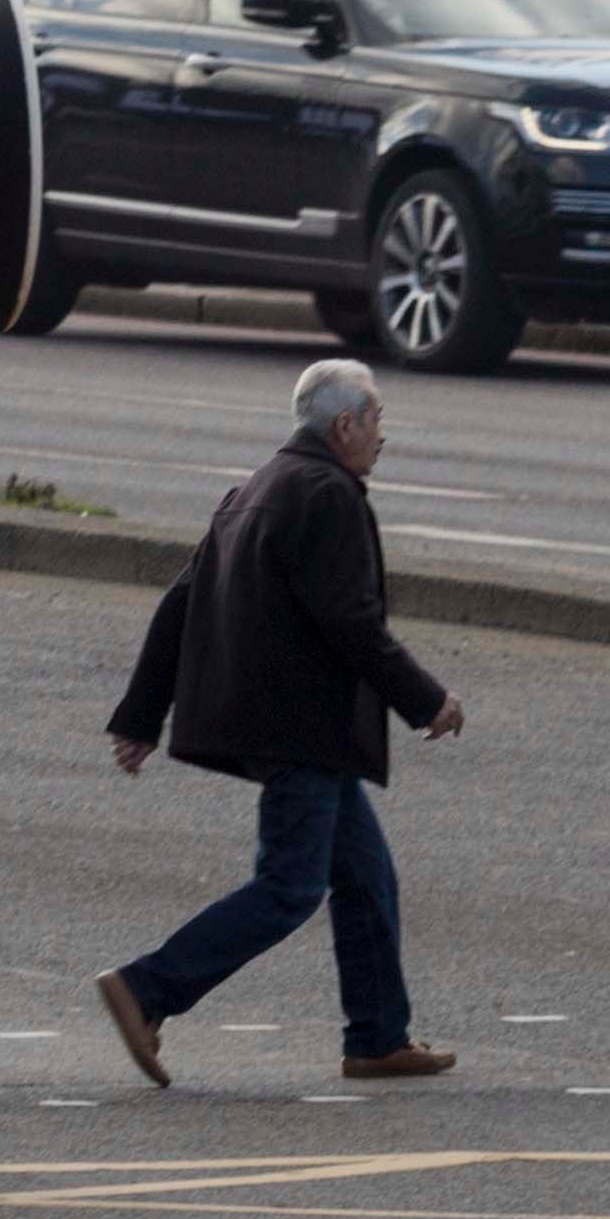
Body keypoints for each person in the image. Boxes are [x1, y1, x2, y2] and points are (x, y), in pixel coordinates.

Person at [92, 358, 465, 1089]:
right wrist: (426, 699)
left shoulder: (256, 485)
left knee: (364, 877)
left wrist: (142, 714)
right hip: (305, 725)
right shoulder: (327, 494)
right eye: (377, 418)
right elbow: (352, 621)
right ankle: (146, 989)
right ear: (344, 423)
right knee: (289, 886)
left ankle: (377, 1037)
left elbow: (180, 601)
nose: (383, 435)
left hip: (280, 722)